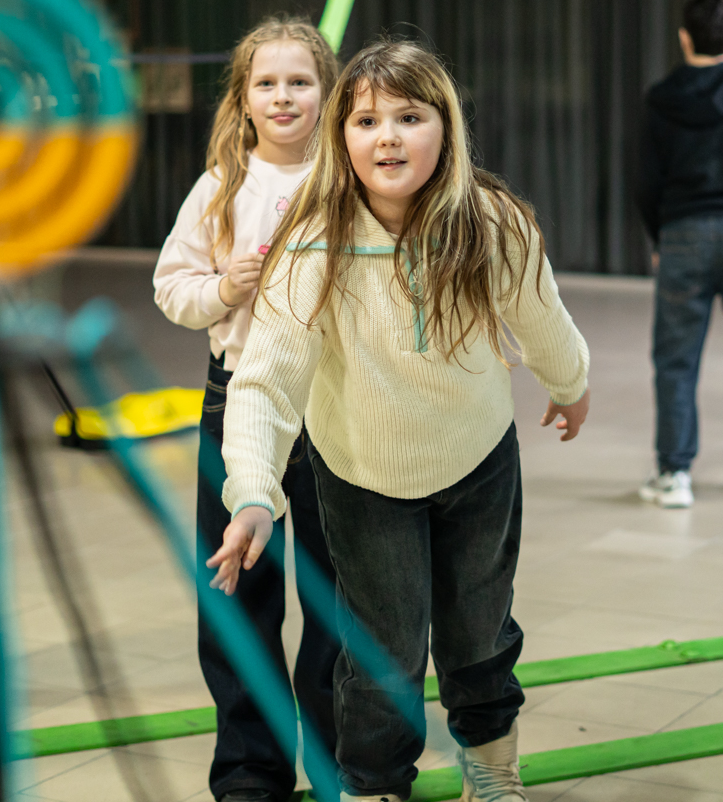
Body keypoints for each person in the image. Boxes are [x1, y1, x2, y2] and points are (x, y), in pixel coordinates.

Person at [207, 40, 591, 802]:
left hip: (477, 459)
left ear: (445, 127)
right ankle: (374, 785)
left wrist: (569, 383)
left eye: (410, 117)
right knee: (382, 655)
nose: (387, 137)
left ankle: (491, 767)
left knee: (480, 634)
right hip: (362, 474)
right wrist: (252, 492)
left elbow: (541, 315)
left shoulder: (492, 222)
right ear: (341, 136)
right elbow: (266, 381)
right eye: (366, 121)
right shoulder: (312, 241)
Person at [153, 18, 341, 802]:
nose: (283, 96)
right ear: (244, 98)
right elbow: (172, 289)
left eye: (300, 82)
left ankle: (343, 767)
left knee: (339, 599)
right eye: (267, 82)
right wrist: (223, 289)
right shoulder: (221, 187)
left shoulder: (347, 180)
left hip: (334, 406)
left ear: (328, 94)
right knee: (239, 594)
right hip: (235, 401)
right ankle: (249, 774)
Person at [636, 0, 723, 508]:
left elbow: (646, 179)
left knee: (676, 361)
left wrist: (660, 236)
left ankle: (674, 473)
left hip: (682, 232)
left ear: (684, 39)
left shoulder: (660, 97)